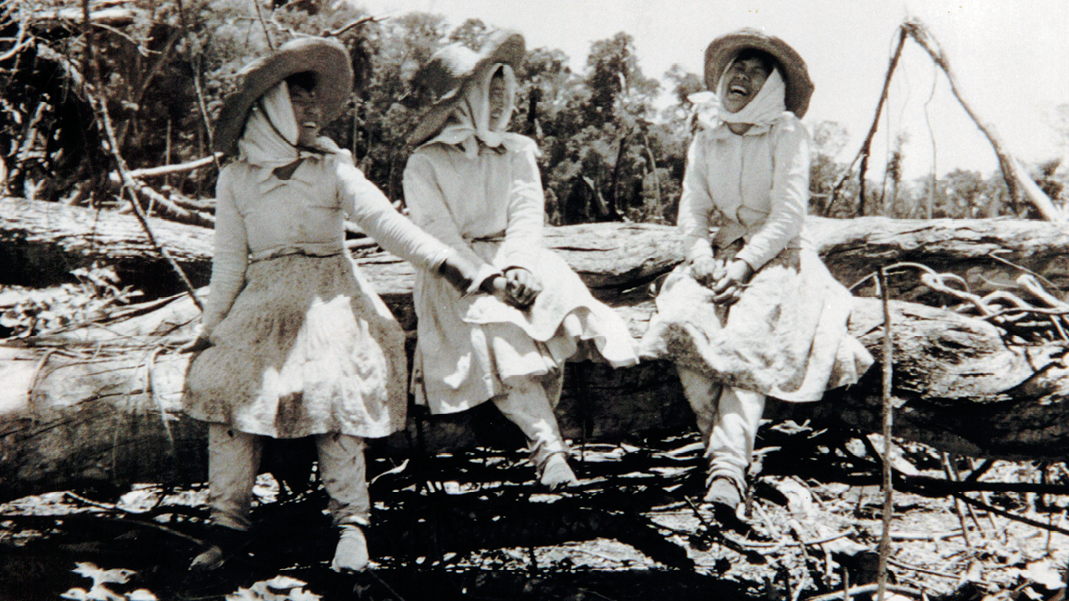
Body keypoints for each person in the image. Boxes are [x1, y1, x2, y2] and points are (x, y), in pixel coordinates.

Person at [182, 37, 483, 572]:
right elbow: (228, 263)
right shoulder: (236, 177)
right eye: (300, 100)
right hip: (264, 301)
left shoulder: (333, 168)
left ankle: (351, 524)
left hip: (331, 296)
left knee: (335, 385)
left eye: (315, 100)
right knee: (227, 382)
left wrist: (454, 267)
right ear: (271, 108)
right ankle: (226, 526)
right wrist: (210, 331)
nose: (315, 110)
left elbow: (388, 226)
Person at [638, 29, 874, 523]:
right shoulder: (708, 135)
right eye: (736, 69)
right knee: (681, 324)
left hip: (777, 256)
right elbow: (694, 210)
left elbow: (788, 216)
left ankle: (726, 469)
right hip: (717, 254)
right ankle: (721, 460)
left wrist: (746, 266)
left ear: (771, 89)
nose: (740, 78)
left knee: (748, 336)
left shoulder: (786, 133)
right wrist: (701, 258)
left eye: (755, 72)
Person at [401, 32, 639, 491]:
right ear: (462, 99)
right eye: (484, 90)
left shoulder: (518, 151)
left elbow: (527, 214)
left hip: (517, 257)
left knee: (561, 311)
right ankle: (547, 448)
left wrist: (519, 265)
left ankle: (548, 413)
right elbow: (440, 236)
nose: (497, 100)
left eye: (501, 88)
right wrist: (490, 278)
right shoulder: (424, 164)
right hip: (459, 271)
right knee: (498, 328)